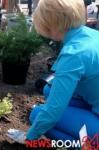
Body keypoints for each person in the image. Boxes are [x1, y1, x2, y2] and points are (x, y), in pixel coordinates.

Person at [8, 0, 99, 144]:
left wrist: (28, 138)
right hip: (94, 101)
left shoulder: (74, 54)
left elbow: (53, 113)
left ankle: (88, 146)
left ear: (53, 24)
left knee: (37, 115)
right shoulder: (92, 35)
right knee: (47, 90)